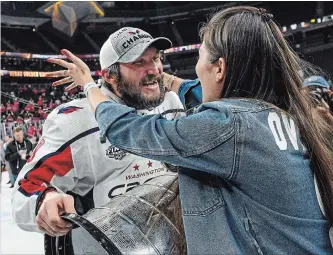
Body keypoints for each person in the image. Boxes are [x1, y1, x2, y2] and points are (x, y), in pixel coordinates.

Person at [49, 6, 333, 254]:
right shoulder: (278, 111)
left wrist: (88, 84)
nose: (155, 68)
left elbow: (129, 129)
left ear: (219, 68)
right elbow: (191, 88)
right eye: (140, 62)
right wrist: (156, 76)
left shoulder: (227, 124)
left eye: (200, 56)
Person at [11, 27, 186, 246]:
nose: (154, 69)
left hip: (170, 241)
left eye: (156, 59)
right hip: (109, 246)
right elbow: (26, 190)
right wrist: (44, 201)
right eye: (139, 62)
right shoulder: (76, 122)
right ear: (110, 76)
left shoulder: (171, 103)